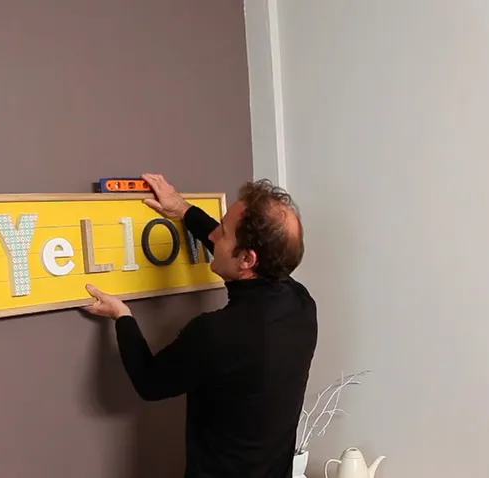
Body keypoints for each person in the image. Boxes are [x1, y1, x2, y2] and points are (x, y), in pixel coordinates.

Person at [82, 173, 318, 478]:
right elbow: (236, 254)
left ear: (248, 259)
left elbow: (150, 382)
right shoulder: (302, 305)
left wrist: (122, 316)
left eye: (224, 231)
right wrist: (183, 209)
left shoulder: (216, 333)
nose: (215, 235)